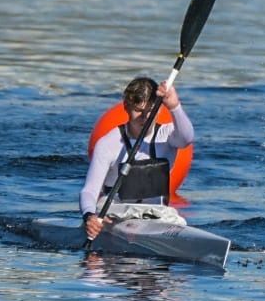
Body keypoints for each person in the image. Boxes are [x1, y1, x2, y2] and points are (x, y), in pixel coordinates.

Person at [79, 76, 194, 240]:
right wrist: (89, 216)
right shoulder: (108, 143)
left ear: (159, 109)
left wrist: (174, 106)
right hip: (115, 216)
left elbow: (187, 138)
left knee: (178, 221)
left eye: (150, 111)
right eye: (139, 111)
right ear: (126, 107)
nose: (145, 118)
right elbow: (89, 190)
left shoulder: (168, 136)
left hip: (155, 215)